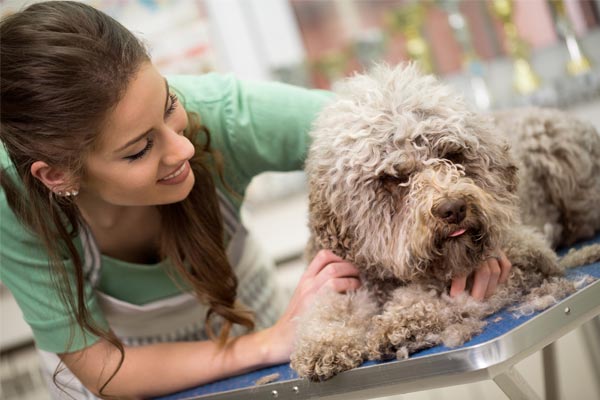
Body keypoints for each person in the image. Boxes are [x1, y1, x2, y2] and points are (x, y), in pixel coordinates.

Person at [0, 1, 512, 398]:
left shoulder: (226, 113)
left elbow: (402, 134)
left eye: (170, 104)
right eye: (139, 149)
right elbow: (101, 368)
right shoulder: (12, 201)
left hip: (258, 332)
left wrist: (471, 226)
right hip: (134, 378)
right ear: (57, 175)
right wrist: (265, 344)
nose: (181, 147)